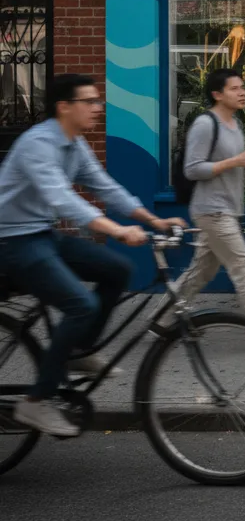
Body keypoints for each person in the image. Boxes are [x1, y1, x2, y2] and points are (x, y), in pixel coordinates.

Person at [0, 74, 185, 437]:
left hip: (41, 233)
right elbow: (60, 198)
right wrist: (116, 230)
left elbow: (105, 187)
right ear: (64, 107)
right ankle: (36, 402)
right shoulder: (38, 144)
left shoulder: (75, 144)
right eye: (89, 102)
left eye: (97, 102)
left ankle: (78, 349)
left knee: (117, 269)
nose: (97, 109)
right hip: (12, 241)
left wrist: (151, 219)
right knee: (81, 305)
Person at [162, 68, 245, 351]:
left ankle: (162, 320)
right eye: (234, 88)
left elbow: (232, 162)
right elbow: (193, 169)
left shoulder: (235, 124)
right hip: (212, 210)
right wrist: (235, 162)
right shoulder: (206, 123)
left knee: (200, 273)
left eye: (242, 87)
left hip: (227, 208)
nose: (242, 92)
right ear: (217, 94)